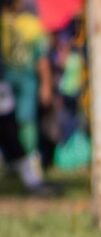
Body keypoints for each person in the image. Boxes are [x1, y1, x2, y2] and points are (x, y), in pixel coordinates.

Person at [0, 0, 60, 196]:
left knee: (17, 128)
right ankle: (30, 176)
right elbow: (43, 60)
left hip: (14, 85)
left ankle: (31, 175)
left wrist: (45, 85)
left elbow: (42, 60)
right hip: (10, 84)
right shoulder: (26, 25)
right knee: (17, 128)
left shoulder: (25, 25)